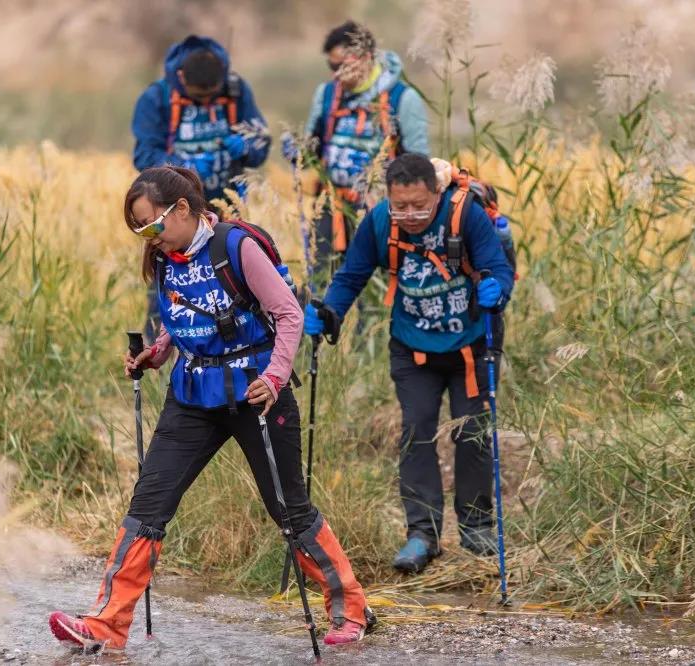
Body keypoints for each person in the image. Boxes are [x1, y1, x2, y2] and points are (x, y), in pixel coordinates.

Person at [49, 166, 372, 652]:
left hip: (255, 393)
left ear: (182, 209)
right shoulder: (166, 256)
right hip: (192, 395)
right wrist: (156, 353)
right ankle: (106, 625)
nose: (148, 238)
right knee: (148, 506)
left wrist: (274, 377)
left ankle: (352, 609)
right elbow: (181, 316)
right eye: (139, 230)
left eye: (151, 225)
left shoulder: (235, 247)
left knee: (289, 510)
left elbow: (288, 314)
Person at [304, 153, 514, 574]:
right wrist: (329, 312)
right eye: (401, 206)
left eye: (419, 205)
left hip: (471, 347)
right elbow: (351, 276)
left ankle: (476, 528)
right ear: (389, 197)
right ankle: (422, 534)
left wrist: (497, 289)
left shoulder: (465, 215)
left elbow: (497, 268)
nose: (410, 215)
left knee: (472, 432)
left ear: (436, 194)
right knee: (416, 431)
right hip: (412, 348)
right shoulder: (380, 221)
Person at [133, 35, 270, 342]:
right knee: (168, 286)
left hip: (228, 209)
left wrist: (247, 146)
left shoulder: (236, 90)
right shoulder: (156, 98)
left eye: (213, 96)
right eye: (200, 97)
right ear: (181, 77)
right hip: (174, 215)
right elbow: (144, 156)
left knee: (232, 281)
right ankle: (158, 350)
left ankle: (235, 346)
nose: (208, 103)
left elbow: (261, 143)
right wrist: (185, 168)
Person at [292, 20, 429, 285]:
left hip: (379, 207)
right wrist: (297, 149)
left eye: (342, 65)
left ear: (366, 57)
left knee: (373, 286)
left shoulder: (403, 98)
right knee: (320, 281)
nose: (336, 74)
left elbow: (420, 165)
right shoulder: (327, 94)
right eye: (331, 66)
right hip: (330, 205)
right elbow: (311, 148)